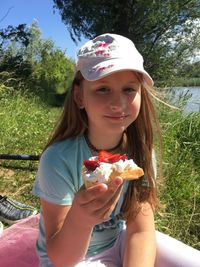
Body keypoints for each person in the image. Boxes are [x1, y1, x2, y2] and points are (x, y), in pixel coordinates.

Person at [32, 33, 200, 267]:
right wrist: (81, 220)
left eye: (129, 89)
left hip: (117, 242)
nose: (119, 103)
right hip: (71, 258)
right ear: (80, 96)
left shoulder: (141, 152)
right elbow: (61, 258)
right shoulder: (57, 159)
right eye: (103, 89)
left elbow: (140, 231)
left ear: (141, 93)